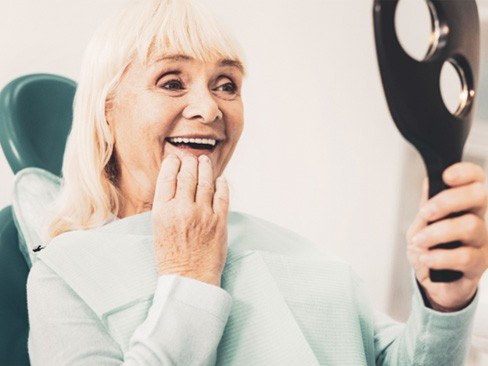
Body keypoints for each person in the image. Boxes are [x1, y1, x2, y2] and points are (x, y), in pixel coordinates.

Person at [26, 0, 488, 364]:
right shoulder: (65, 275)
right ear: (106, 110)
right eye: (171, 82)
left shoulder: (302, 256)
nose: (209, 108)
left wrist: (444, 302)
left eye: (226, 84)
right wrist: (189, 279)